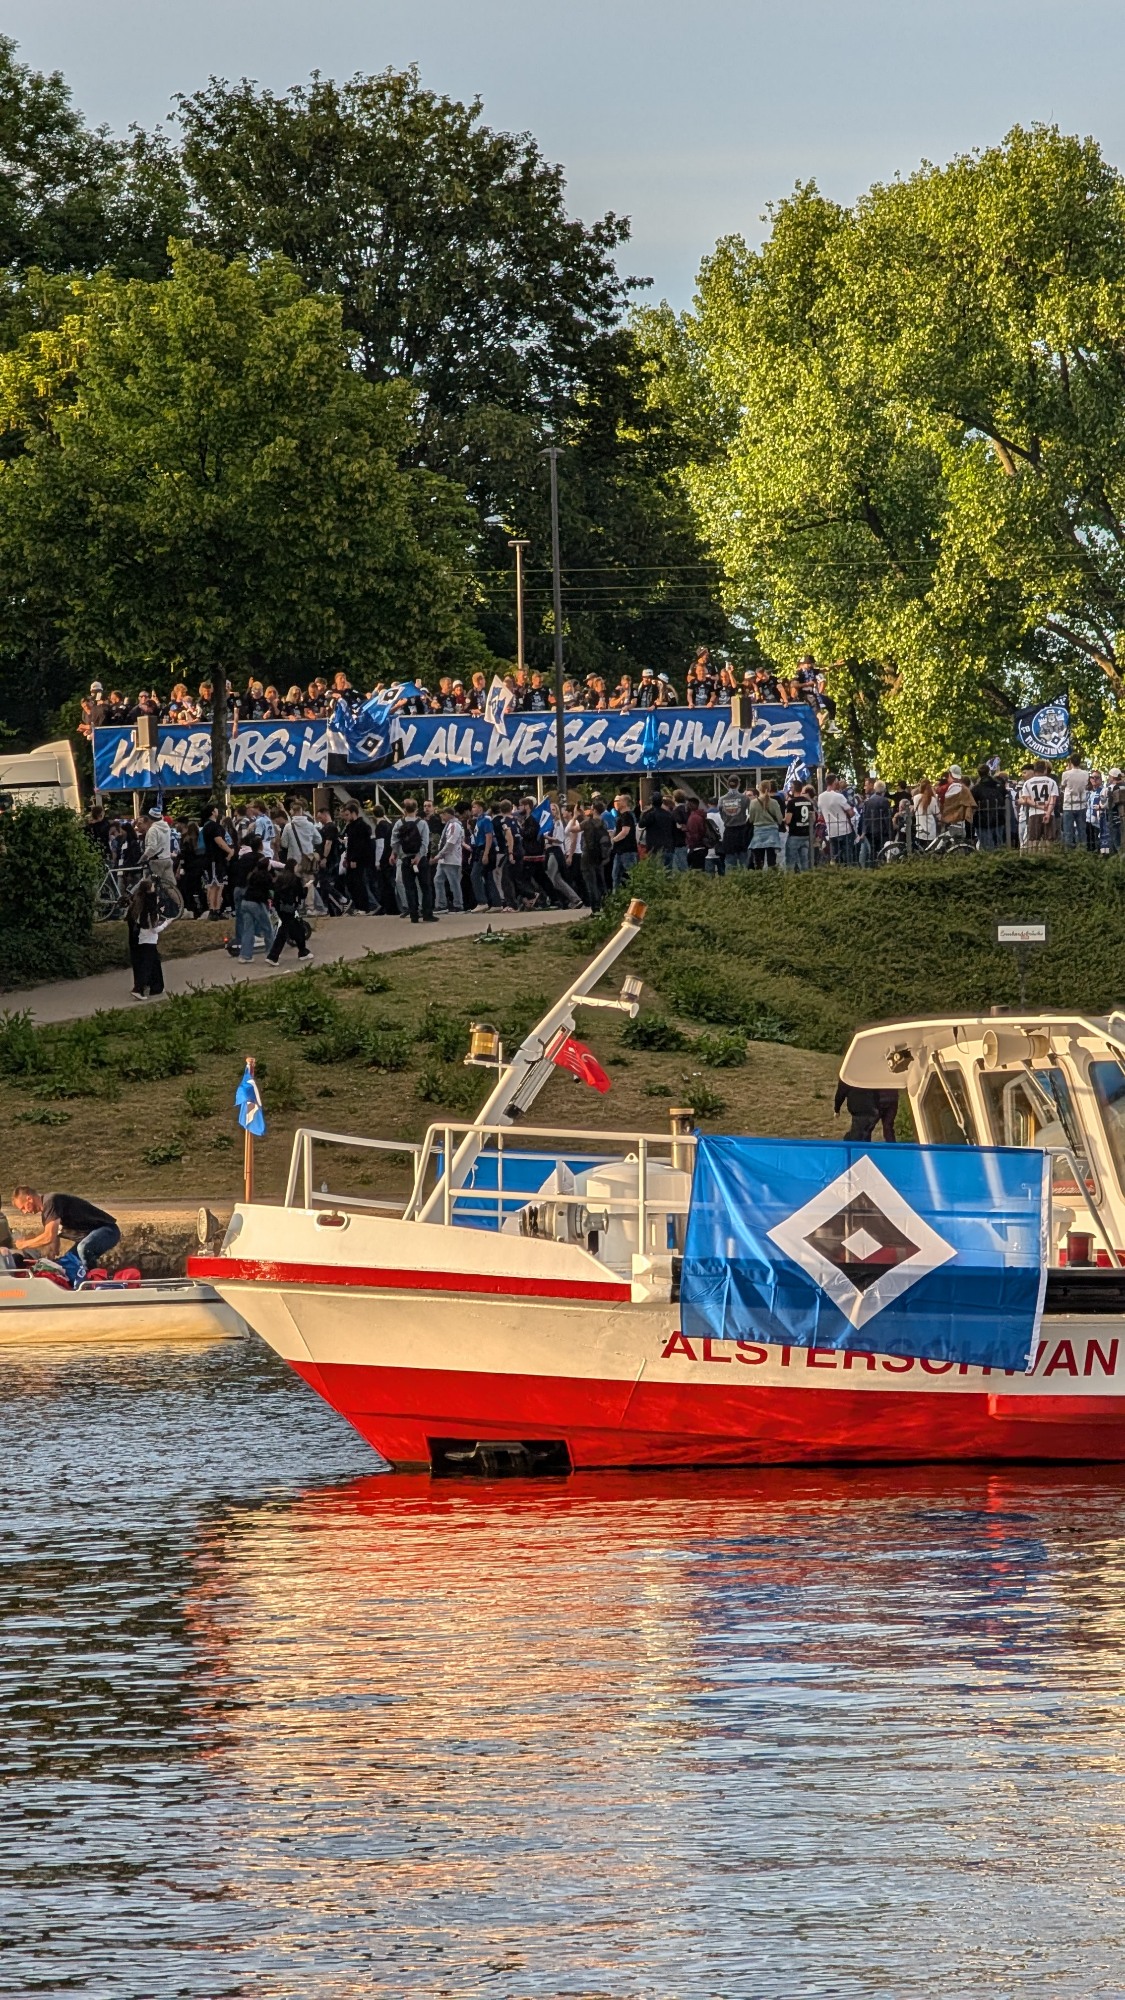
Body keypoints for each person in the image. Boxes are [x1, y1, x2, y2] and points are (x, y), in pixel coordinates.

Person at [12, 1187, 121, 1271]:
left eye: (23, 1208)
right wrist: (50, 1259)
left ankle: (93, 1280)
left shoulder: (51, 1201)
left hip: (108, 1230)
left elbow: (49, 1237)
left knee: (83, 1248)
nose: (24, 1212)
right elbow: (53, 1244)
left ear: (29, 1198)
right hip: (88, 1237)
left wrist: (24, 1244)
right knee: (66, 1262)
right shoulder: (47, 1216)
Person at [391, 797, 436, 923]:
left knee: (409, 887)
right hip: (420, 859)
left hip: (405, 858)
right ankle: (427, 914)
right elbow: (425, 842)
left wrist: (395, 854)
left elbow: (394, 841)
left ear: (404, 809)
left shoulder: (399, 823)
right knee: (425, 887)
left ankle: (413, 915)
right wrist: (419, 856)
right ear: (416, 809)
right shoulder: (422, 823)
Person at [127, 879, 169, 999]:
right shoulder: (149, 906)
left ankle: (157, 986)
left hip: (139, 938)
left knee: (153, 962)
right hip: (148, 940)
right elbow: (154, 927)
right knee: (148, 964)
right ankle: (139, 988)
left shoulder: (137, 904)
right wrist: (166, 923)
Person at [266, 858, 314, 964]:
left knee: (297, 928)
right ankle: (273, 956)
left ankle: (303, 951)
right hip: (289, 908)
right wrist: (306, 887)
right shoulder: (295, 879)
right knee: (284, 931)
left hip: (280, 907)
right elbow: (301, 895)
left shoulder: (280, 878)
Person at [237, 856, 276, 962]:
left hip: (245, 902)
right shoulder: (266, 877)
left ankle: (245, 955)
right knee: (268, 928)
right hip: (256, 903)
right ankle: (272, 953)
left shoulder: (252, 875)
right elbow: (271, 889)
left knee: (248, 929)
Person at [341, 802, 374, 911]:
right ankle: (360, 906)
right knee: (351, 883)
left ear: (353, 813)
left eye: (347, 814)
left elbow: (360, 845)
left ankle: (364, 907)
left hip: (359, 860)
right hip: (352, 858)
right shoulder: (351, 827)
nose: (345, 817)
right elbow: (350, 845)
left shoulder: (361, 826)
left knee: (358, 883)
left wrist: (354, 859)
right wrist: (347, 858)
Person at [817, 776, 856, 865]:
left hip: (831, 831)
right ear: (835, 782)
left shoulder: (820, 797)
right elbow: (851, 813)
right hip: (844, 830)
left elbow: (821, 813)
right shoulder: (839, 796)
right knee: (847, 857)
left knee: (834, 857)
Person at [579, 807, 612, 910]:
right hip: (600, 856)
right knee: (600, 881)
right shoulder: (603, 823)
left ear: (594, 810)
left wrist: (575, 816)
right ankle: (605, 905)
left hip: (588, 855)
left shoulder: (587, 823)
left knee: (591, 883)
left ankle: (595, 908)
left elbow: (570, 829)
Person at [434, 807, 465, 912]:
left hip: (451, 858)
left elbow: (450, 843)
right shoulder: (448, 825)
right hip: (444, 859)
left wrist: (440, 854)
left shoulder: (455, 825)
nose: (441, 816)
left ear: (448, 814)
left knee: (454, 882)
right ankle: (441, 904)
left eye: (443, 814)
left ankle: (458, 904)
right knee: (438, 880)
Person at [717, 778, 749, 870]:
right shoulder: (744, 798)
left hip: (729, 832)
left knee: (730, 861)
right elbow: (749, 813)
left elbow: (721, 813)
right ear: (738, 784)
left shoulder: (722, 799)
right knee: (744, 860)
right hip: (742, 831)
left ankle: (731, 878)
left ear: (727, 785)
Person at [1060, 755, 1091, 850]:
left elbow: (1062, 785)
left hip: (1069, 805)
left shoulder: (1066, 774)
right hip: (1081, 804)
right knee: (1082, 831)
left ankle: (1069, 852)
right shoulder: (1085, 773)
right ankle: (1083, 851)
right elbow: (1086, 784)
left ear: (1071, 762)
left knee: (1068, 832)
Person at [639, 792, 676, 869]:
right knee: (668, 871)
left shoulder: (651, 814)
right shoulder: (668, 814)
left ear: (652, 802)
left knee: (656, 871)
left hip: (654, 848)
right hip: (668, 846)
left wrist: (646, 811)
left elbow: (641, 824)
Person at [609, 793, 639, 889]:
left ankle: (634, 892)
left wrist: (613, 840)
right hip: (620, 851)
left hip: (627, 850)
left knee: (631, 874)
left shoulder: (627, 816)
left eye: (620, 801)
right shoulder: (622, 816)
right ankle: (617, 894)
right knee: (616, 875)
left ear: (625, 802)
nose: (617, 803)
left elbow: (625, 831)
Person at [783, 785, 814, 871]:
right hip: (806, 834)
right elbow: (813, 818)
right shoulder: (808, 802)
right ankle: (805, 876)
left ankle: (791, 877)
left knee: (790, 861)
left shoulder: (791, 802)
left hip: (795, 834)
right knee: (804, 860)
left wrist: (782, 820)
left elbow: (788, 820)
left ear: (793, 789)